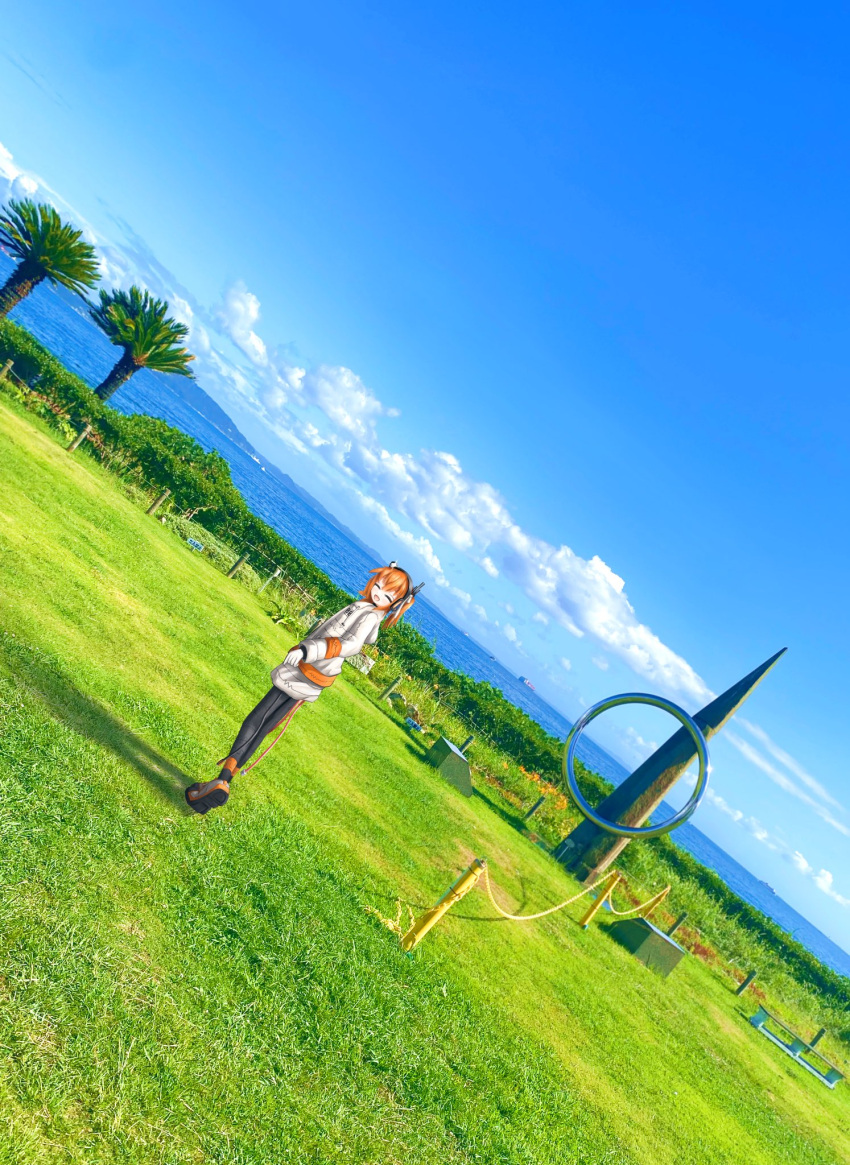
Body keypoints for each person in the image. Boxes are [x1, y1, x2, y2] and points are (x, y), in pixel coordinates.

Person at [185, 562, 423, 813]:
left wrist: (308, 650)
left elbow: (351, 645)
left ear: (396, 603)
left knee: (256, 719)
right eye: (378, 585)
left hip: (308, 668)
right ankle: (223, 783)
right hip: (315, 672)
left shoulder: (369, 615)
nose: (378, 593)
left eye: (387, 594)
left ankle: (221, 780)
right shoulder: (368, 609)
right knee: (265, 726)